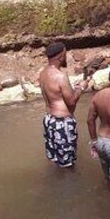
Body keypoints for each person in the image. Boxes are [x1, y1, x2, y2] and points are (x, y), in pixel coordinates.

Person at [40, 41, 90, 169]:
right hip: (62, 124)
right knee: (68, 165)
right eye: (65, 54)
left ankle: (57, 185)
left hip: (49, 120)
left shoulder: (43, 73)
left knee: (56, 160)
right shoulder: (60, 76)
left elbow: (57, 95)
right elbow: (71, 101)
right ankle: (69, 187)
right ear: (60, 56)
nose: (66, 57)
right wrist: (82, 88)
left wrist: (74, 88)